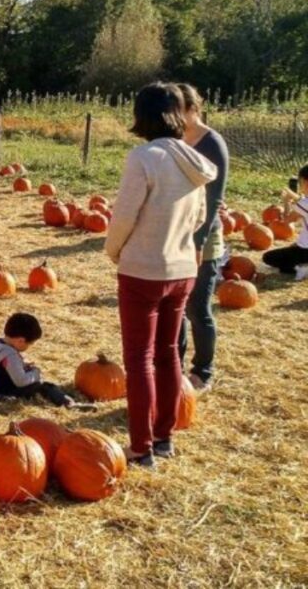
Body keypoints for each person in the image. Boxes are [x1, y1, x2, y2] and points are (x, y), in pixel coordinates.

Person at [105, 82, 217, 468]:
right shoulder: (194, 161)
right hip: (183, 268)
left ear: (142, 116)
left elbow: (124, 215)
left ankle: (141, 447)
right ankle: (163, 437)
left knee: (139, 359)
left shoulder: (144, 157)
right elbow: (200, 218)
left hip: (143, 269)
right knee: (169, 354)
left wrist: (114, 250)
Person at [174, 84, 230, 391]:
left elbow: (213, 199)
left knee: (197, 308)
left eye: (180, 110)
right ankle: (174, 369)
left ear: (194, 108)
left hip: (203, 239)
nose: (175, 117)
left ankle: (203, 371)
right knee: (175, 309)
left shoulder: (212, 143)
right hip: (175, 233)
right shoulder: (174, 139)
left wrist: (197, 243)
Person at [0, 313, 94, 410]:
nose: (29, 346)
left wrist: (23, 365)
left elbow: (3, 367)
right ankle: (69, 404)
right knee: (45, 386)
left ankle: (64, 396)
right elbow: (21, 381)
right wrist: (35, 373)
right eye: (29, 344)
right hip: (11, 391)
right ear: (21, 340)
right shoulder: (10, 355)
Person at [263, 164, 308, 279]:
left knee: (269, 257)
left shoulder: (303, 204)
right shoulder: (303, 203)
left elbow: (287, 221)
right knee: (293, 248)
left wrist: (287, 201)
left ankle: (301, 267)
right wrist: (295, 198)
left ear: (305, 182)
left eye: (300, 182)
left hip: (306, 251)